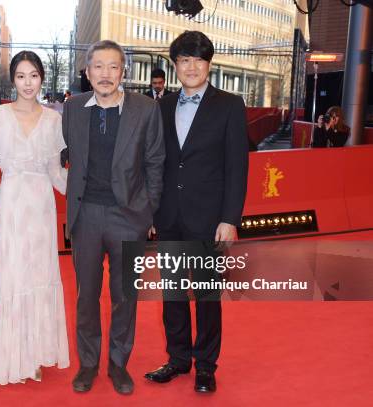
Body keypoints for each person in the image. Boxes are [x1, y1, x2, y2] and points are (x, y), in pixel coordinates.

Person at [144, 30, 249, 393]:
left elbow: (237, 167)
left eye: (198, 60)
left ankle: (206, 364)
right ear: (175, 66)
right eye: (184, 60)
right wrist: (152, 212)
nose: (191, 67)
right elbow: (154, 163)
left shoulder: (230, 105)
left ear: (209, 64)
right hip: (169, 216)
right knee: (172, 292)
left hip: (210, 218)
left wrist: (230, 219)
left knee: (206, 295)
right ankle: (177, 358)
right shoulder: (161, 106)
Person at [62, 40, 165, 395]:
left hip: (128, 217)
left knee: (125, 296)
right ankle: (88, 364)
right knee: (86, 296)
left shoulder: (146, 109)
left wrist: (147, 210)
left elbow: (155, 162)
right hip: (86, 215)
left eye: (113, 67)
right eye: (98, 66)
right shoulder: (73, 108)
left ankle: (118, 364)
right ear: (87, 71)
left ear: (124, 71)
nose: (106, 74)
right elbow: (65, 153)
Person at [0, 50, 69, 385]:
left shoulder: (53, 120)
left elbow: (55, 172)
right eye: (21, 76)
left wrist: (86, 195)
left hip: (42, 207)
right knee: (13, 276)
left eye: (34, 75)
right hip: (12, 204)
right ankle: (11, 357)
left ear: (42, 78)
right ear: (13, 79)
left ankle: (34, 355)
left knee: (39, 275)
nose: (28, 82)